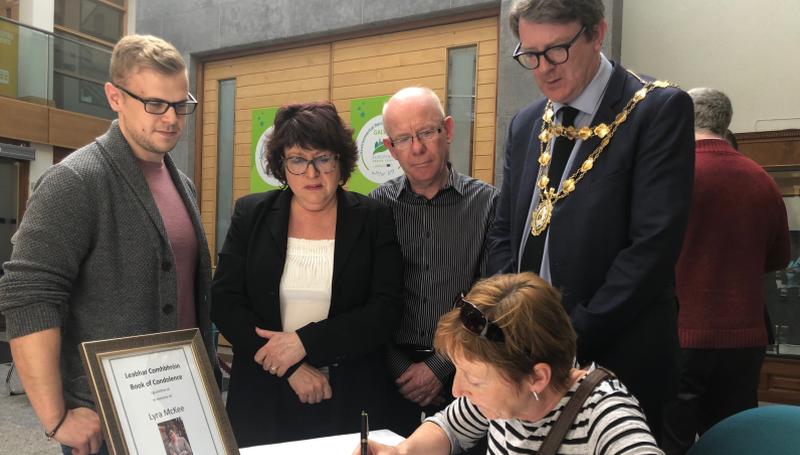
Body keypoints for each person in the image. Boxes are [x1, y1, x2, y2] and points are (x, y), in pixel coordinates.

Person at [487, 0, 695, 437]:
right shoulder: (526, 123)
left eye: (557, 50)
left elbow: (651, 249)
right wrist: (513, 321)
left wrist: (568, 337)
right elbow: (505, 228)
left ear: (596, 33)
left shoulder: (655, 110)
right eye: (531, 54)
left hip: (619, 354)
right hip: (530, 353)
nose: (543, 68)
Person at [0, 35, 216, 455]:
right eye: (155, 103)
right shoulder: (75, 180)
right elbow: (28, 295)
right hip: (106, 418)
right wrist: (55, 417)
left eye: (180, 104)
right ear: (115, 97)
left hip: (178, 403)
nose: (171, 118)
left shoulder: (181, 183)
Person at [211, 101, 404, 446]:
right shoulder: (251, 213)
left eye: (323, 158)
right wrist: (289, 367)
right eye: (298, 160)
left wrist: (304, 342)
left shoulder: (373, 218)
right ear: (281, 165)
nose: (311, 174)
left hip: (349, 394)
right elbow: (225, 303)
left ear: (340, 161)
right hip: (263, 393)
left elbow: (385, 310)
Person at [354, 272, 662, 455]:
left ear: (537, 377)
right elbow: (449, 427)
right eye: (458, 371)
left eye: (473, 379)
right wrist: (403, 452)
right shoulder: (501, 397)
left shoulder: (607, 420)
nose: (458, 390)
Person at [661, 88, 790, 455]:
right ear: (725, 122)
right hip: (743, 340)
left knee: (670, 442)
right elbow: (779, 258)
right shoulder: (762, 179)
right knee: (735, 441)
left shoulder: (671, 174)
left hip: (681, 334)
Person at [370, 87, 498, 437]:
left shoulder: (488, 205)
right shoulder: (374, 208)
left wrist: (438, 367)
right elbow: (366, 298)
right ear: (391, 147)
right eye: (404, 138)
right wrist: (400, 367)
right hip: (387, 376)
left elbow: (491, 297)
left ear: (448, 130)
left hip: (466, 372)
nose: (417, 148)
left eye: (426, 132)